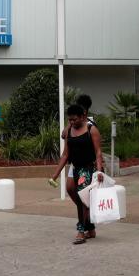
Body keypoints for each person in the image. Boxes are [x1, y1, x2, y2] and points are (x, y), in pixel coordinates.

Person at [50, 103, 105, 244]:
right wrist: (55, 175)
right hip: (76, 169)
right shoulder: (69, 132)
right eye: (70, 120)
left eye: (74, 119)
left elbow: (98, 152)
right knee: (81, 200)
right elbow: (65, 155)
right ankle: (90, 228)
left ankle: (81, 231)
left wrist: (99, 170)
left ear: (82, 117)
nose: (72, 122)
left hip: (89, 169)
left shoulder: (91, 130)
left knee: (83, 201)